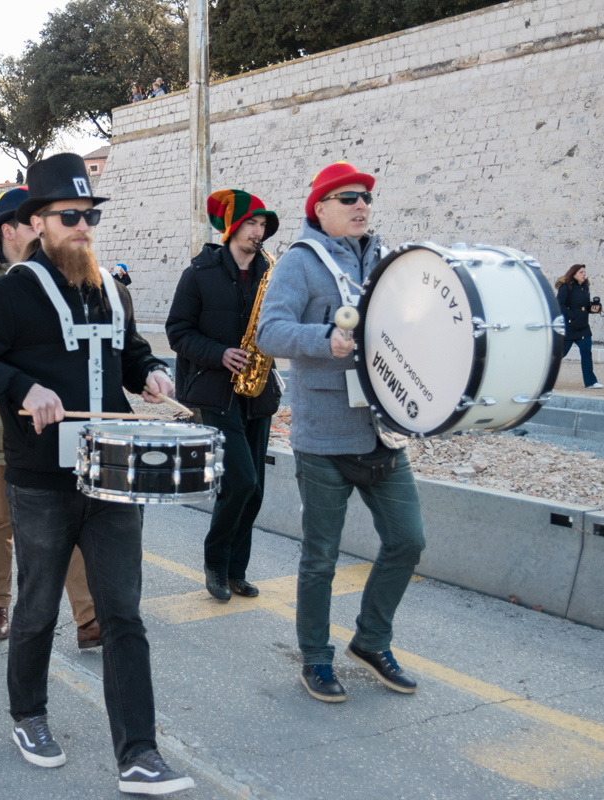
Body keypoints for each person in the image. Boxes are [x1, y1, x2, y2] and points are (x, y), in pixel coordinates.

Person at [0, 153, 192, 796]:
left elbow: (125, 351)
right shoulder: (13, 292)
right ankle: (29, 715)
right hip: (41, 479)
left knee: (123, 614)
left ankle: (139, 754)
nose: (82, 227)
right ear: (38, 223)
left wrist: (149, 372)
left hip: (112, 474)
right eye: (70, 217)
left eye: (89, 216)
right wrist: (22, 388)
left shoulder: (107, 286)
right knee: (39, 606)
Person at [256, 161, 426, 704]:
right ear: (320, 208)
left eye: (366, 198)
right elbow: (270, 332)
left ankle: (371, 642)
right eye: (348, 198)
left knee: (408, 541)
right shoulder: (299, 264)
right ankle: (316, 658)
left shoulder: (385, 262)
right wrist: (324, 337)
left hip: (384, 432)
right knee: (320, 558)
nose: (361, 206)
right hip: (325, 435)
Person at [0, 187, 100, 646]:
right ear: (10, 229)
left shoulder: (57, 273)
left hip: (60, 429)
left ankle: (87, 616)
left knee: (72, 519)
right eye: (30, 222)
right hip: (3, 428)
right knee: (2, 520)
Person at [166, 189, 281, 602]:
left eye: (263, 224)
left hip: (258, 391)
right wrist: (219, 354)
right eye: (252, 223)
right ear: (233, 227)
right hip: (216, 392)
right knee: (240, 481)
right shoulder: (199, 273)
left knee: (256, 489)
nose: (259, 231)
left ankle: (237, 570)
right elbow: (177, 332)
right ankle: (215, 564)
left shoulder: (270, 270)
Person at [556, 264, 603, 389]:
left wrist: (594, 308)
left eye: (584, 272)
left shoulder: (585, 287)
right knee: (559, 354)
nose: (584, 274)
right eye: (581, 272)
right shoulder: (566, 287)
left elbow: (585, 306)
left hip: (583, 327)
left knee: (586, 353)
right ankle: (541, 377)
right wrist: (571, 315)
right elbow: (559, 305)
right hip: (569, 328)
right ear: (574, 274)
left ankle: (591, 382)